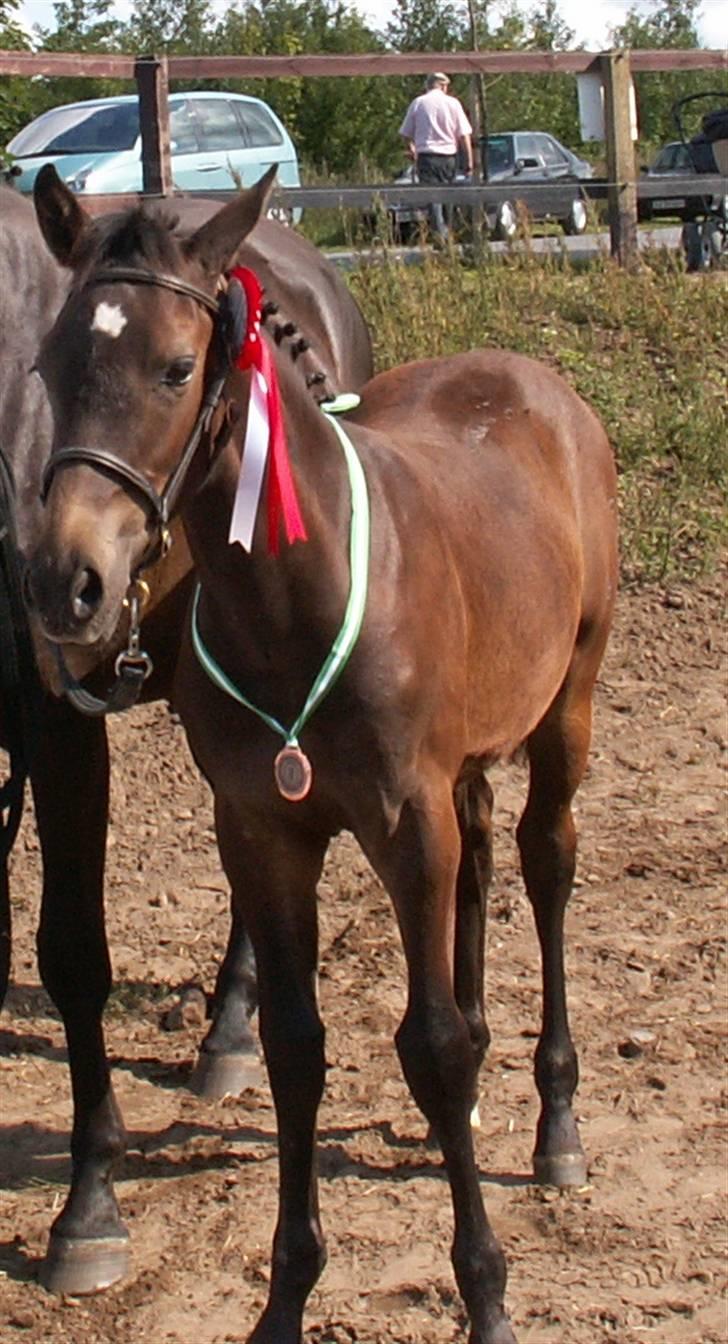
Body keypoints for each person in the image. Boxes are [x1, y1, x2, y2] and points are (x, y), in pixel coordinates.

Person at [398, 72, 474, 242]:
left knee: (433, 199)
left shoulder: (418, 103)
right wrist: (468, 160)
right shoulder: (453, 104)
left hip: (426, 156)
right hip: (449, 156)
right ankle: (450, 232)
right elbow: (464, 135)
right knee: (448, 197)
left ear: (428, 85)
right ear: (443, 85)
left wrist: (412, 149)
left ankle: (440, 235)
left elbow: (405, 132)